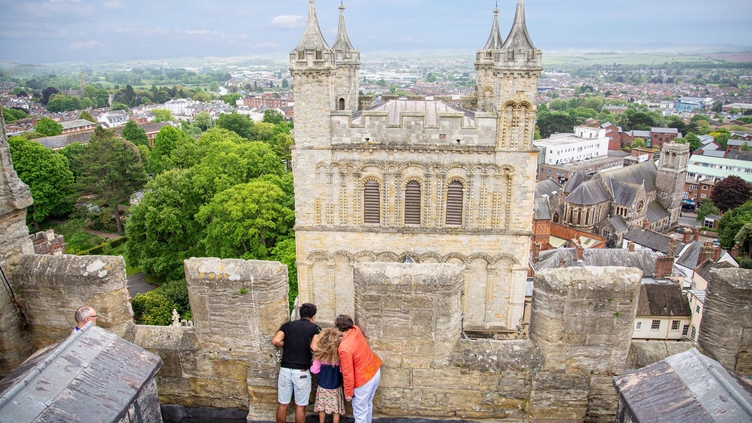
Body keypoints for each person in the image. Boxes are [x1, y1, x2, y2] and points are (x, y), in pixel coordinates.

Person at [272, 303, 321, 423]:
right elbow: (314, 347)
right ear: (313, 316)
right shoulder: (315, 328)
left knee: (283, 404)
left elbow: (276, 340)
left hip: (285, 369)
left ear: (300, 314)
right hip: (302, 372)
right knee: (300, 406)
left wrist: (288, 343)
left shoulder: (287, 326)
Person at [336, 314, 382, 423]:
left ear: (338, 328)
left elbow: (348, 373)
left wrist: (348, 392)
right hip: (374, 370)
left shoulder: (344, 348)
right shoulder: (356, 329)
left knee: (360, 412)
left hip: (363, 380)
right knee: (368, 404)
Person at [310, 328, 346, 423]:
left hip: (323, 386)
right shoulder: (339, 357)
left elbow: (314, 370)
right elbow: (343, 370)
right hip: (336, 387)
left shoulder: (320, 357)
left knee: (322, 408)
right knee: (336, 410)